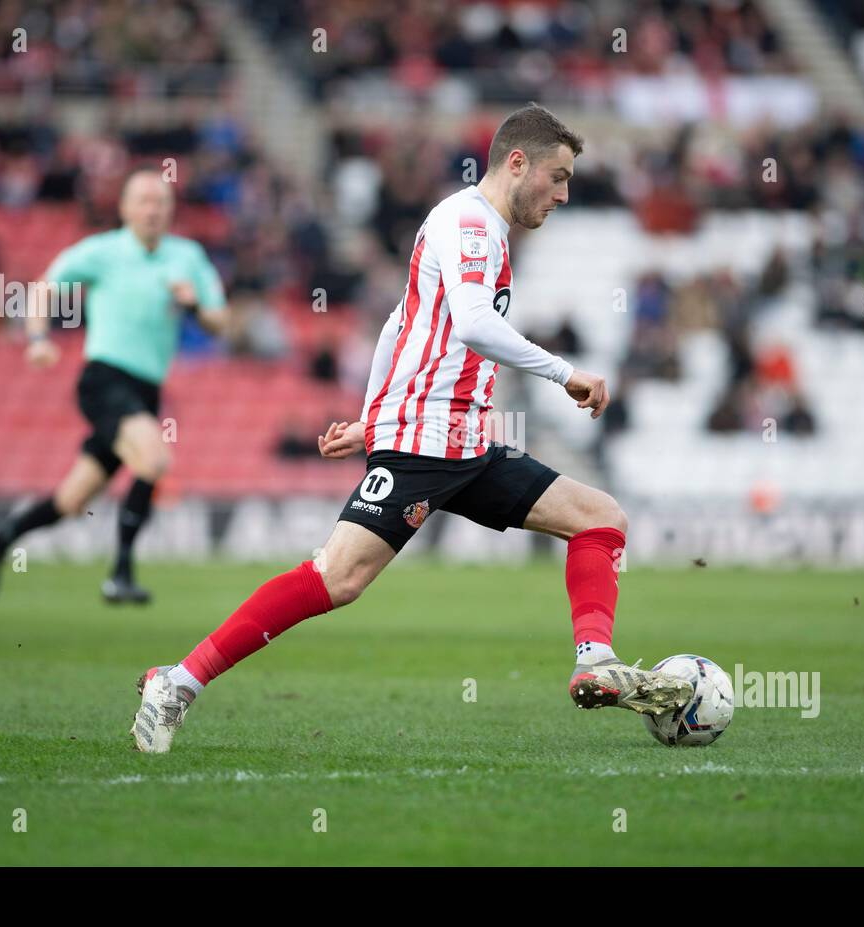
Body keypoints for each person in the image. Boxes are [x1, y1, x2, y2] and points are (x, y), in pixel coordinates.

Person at [129, 104, 696, 753]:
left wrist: (370, 417)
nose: (564, 194)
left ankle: (595, 659)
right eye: (558, 177)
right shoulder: (471, 223)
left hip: (467, 443)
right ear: (518, 162)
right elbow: (476, 325)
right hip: (429, 438)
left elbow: (399, 323)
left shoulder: (469, 225)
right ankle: (176, 681)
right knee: (337, 577)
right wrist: (564, 373)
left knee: (599, 516)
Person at [0, 169, 229, 605]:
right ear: (125, 208)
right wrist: (37, 339)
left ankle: (5, 533)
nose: (152, 209)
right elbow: (43, 290)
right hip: (104, 378)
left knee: (72, 500)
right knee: (153, 458)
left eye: (160, 202)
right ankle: (121, 573)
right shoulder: (103, 252)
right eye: (143, 201)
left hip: (147, 390)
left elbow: (220, 321)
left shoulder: (187, 257)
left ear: (171, 211)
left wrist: (195, 308)